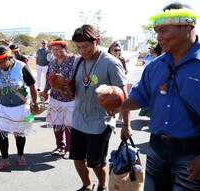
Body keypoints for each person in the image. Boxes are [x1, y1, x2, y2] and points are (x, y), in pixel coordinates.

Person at [120, 3, 200, 191]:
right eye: (156, 31)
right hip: (156, 150)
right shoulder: (155, 66)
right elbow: (139, 98)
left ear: (188, 25)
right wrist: (117, 102)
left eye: (163, 31)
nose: (158, 37)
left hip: (194, 154)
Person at [69, 25, 129, 191]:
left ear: (97, 41)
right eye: (79, 47)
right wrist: (61, 86)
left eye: (86, 46)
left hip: (100, 122)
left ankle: (102, 186)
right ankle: (87, 185)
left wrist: (126, 124)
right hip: (78, 120)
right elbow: (73, 90)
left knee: (96, 162)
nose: (82, 51)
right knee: (77, 158)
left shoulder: (111, 63)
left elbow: (125, 95)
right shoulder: (78, 61)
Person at [40, 39, 76, 159]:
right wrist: (45, 91)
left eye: (58, 49)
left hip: (70, 97)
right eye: (53, 50)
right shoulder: (52, 62)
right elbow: (48, 79)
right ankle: (60, 146)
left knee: (69, 125)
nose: (55, 52)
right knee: (57, 123)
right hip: (55, 97)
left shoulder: (73, 60)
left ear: (65, 48)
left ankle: (69, 149)